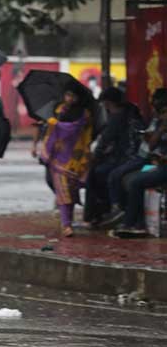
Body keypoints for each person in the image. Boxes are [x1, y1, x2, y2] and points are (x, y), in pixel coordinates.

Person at [101, 88, 167, 226]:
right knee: (123, 176)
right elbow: (151, 146)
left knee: (134, 181)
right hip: (154, 163)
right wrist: (160, 129)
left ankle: (131, 222)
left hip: (159, 166)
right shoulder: (158, 122)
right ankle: (127, 215)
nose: (160, 114)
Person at [39, 82, 95, 237]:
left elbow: (82, 132)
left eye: (73, 96)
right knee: (63, 192)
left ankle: (67, 221)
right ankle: (66, 225)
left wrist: (55, 124)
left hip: (77, 157)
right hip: (58, 158)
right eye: (67, 95)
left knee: (71, 190)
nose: (69, 98)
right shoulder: (58, 110)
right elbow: (52, 131)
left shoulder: (84, 115)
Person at [83, 88, 144, 226]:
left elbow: (104, 141)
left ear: (108, 103)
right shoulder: (132, 111)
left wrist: (95, 157)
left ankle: (104, 210)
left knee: (95, 173)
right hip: (131, 155)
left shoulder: (117, 117)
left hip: (126, 158)